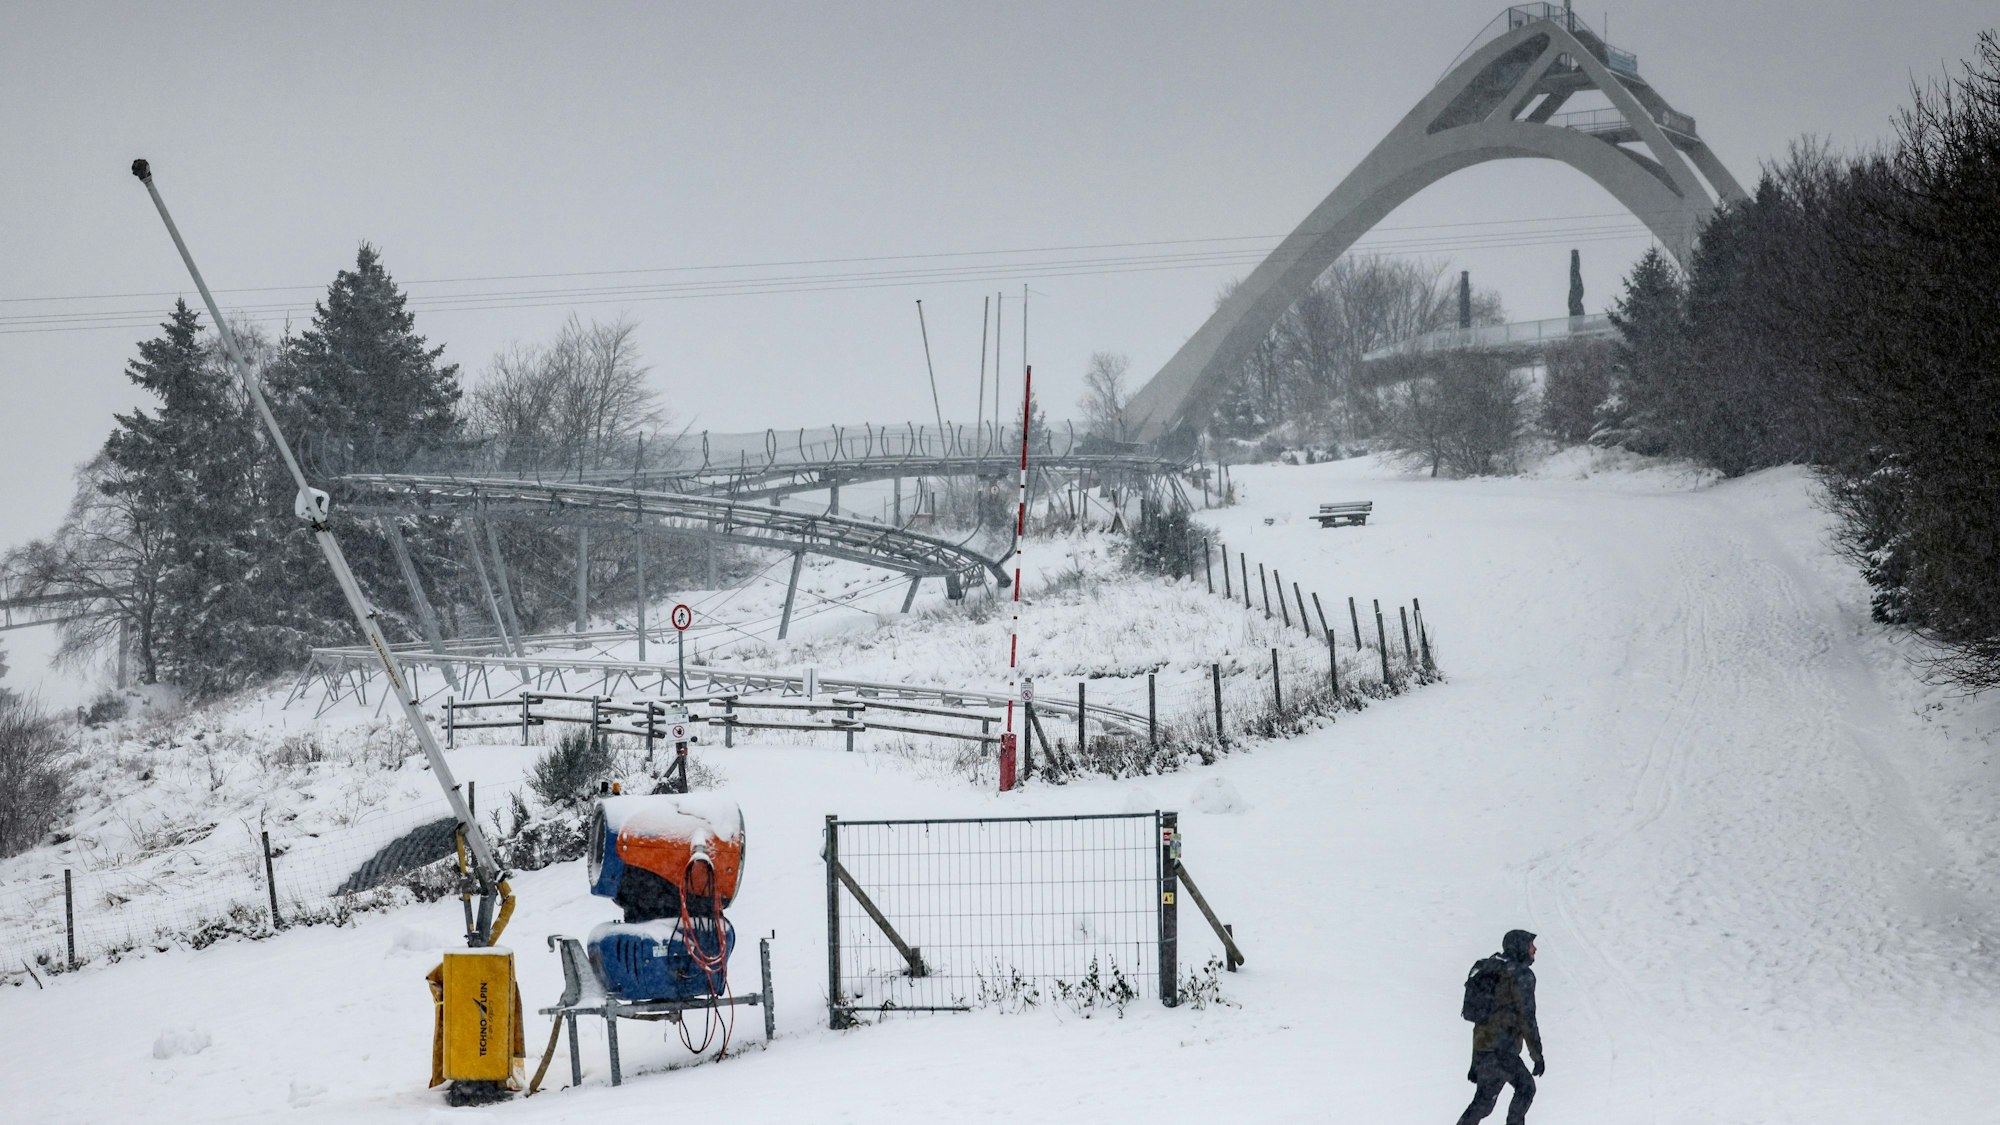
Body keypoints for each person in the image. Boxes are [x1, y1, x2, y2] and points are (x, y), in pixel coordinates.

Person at [1455, 929, 1544, 1125]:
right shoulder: (1521, 975)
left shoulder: (1489, 967)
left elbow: (1481, 1019)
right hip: (1503, 1051)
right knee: (1526, 1087)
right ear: (1520, 947)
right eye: (1531, 945)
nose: (1535, 949)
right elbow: (1527, 1017)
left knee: (1484, 1103)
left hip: (1483, 1050)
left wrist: (1476, 1061)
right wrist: (1537, 1055)